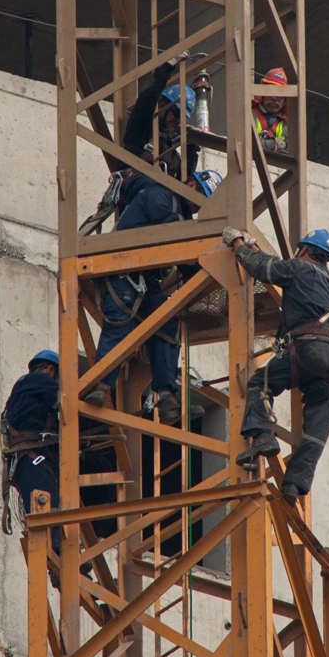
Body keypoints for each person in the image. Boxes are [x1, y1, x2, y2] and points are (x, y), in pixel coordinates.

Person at [85, 170, 223, 424]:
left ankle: (166, 394)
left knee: (167, 324)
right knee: (119, 325)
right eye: (201, 194)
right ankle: (101, 386)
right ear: (191, 184)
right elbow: (174, 236)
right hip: (124, 269)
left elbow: (181, 244)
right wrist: (199, 268)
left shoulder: (181, 213)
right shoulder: (162, 194)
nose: (199, 203)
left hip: (146, 280)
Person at [222, 227, 329, 506]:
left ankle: (263, 435)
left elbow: (263, 269)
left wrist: (238, 245)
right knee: (316, 430)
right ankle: (294, 485)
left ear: (303, 250)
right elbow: (272, 264)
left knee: (259, 383)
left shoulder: (299, 268)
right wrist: (256, 248)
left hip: (309, 349)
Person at [0, 349, 60, 537]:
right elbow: (64, 404)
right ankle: (58, 546)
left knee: (36, 504)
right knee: (47, 499)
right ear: (51, 369)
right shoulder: (41, 380)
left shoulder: (22, 387)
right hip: (34, 454)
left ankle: (52, 548)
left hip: (22, 459)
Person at [122, 52, 198, 180]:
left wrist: (192, 148)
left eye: (183, 118)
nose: (179, 120)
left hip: (156, 193)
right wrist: (166, 68)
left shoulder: (167, 145)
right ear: (162, 106)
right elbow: (148, 97)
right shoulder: (143, 124)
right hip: (136, 186)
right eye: (177, 113)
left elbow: (183, 177)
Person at [252, 68, 288, 154]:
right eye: (271, 91)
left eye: (280, 94)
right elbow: (242, 143)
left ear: (286, 99)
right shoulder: (248, 113)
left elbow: (293, 152)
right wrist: (273, 144)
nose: (274, 97)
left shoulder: (289, 125)